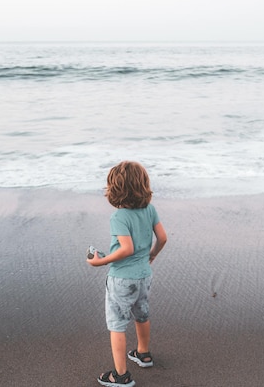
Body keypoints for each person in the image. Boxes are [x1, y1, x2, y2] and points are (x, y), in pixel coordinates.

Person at [87, 161, 168, 387]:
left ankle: (121, 375)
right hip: (144, 274)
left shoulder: (119, 217)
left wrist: (101, 261)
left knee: (117, 324)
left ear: (116, 189)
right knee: (142, 313)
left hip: (122, 278)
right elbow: (162, 238)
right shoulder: (150, 210)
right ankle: (143, 354)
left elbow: (126, 249)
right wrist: (152, 255)